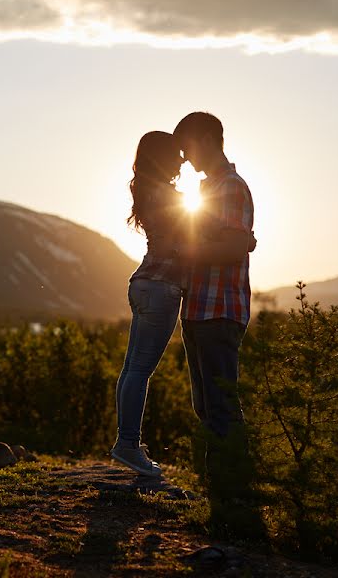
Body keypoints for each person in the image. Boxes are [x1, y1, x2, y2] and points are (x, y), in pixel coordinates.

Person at [111, 131, 255, 477]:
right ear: (162, 157)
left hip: (144, 284)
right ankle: (128, 445)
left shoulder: (150, 190)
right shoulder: (169, 197)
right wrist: (242, 241)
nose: (182, 160)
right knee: (140, 370)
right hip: (161, 288)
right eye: (175, 154)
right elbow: (203, 231)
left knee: (132, 368)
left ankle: (126, 443)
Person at [173, 111, 256, 501]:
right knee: (205, 405)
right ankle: (218, 488)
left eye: (188, 147)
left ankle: (234, 494)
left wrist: (184, 252)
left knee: (221, 405)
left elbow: (236, 247)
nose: (186, 159)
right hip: (198, 311)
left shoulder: (231, 187)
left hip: (219, 311)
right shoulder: (209, 190)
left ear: (207, 139)